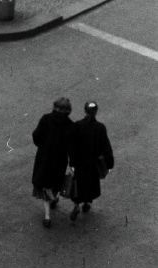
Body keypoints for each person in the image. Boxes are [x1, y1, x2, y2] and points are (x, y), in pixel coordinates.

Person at [67, 101, 114, 221]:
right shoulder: (100, 128)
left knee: (78, 184)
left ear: (85, 111)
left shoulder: (77, 125)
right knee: (90, 184)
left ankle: (76, 205)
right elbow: (106, 147)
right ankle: (86, 203)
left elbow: (72, 146)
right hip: (93, 164)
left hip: (79, 162)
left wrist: (72, 163)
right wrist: (109, 163)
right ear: (96, 112)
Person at [33, 97, 75, 227]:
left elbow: (36, 136)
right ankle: (54, 197)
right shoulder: (70, 125)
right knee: (55, 183)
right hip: (59, 161)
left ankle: (47, 217)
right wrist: (72, 163)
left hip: (44, 158)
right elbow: (71, 147)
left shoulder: (46, 119)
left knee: (46, 184)